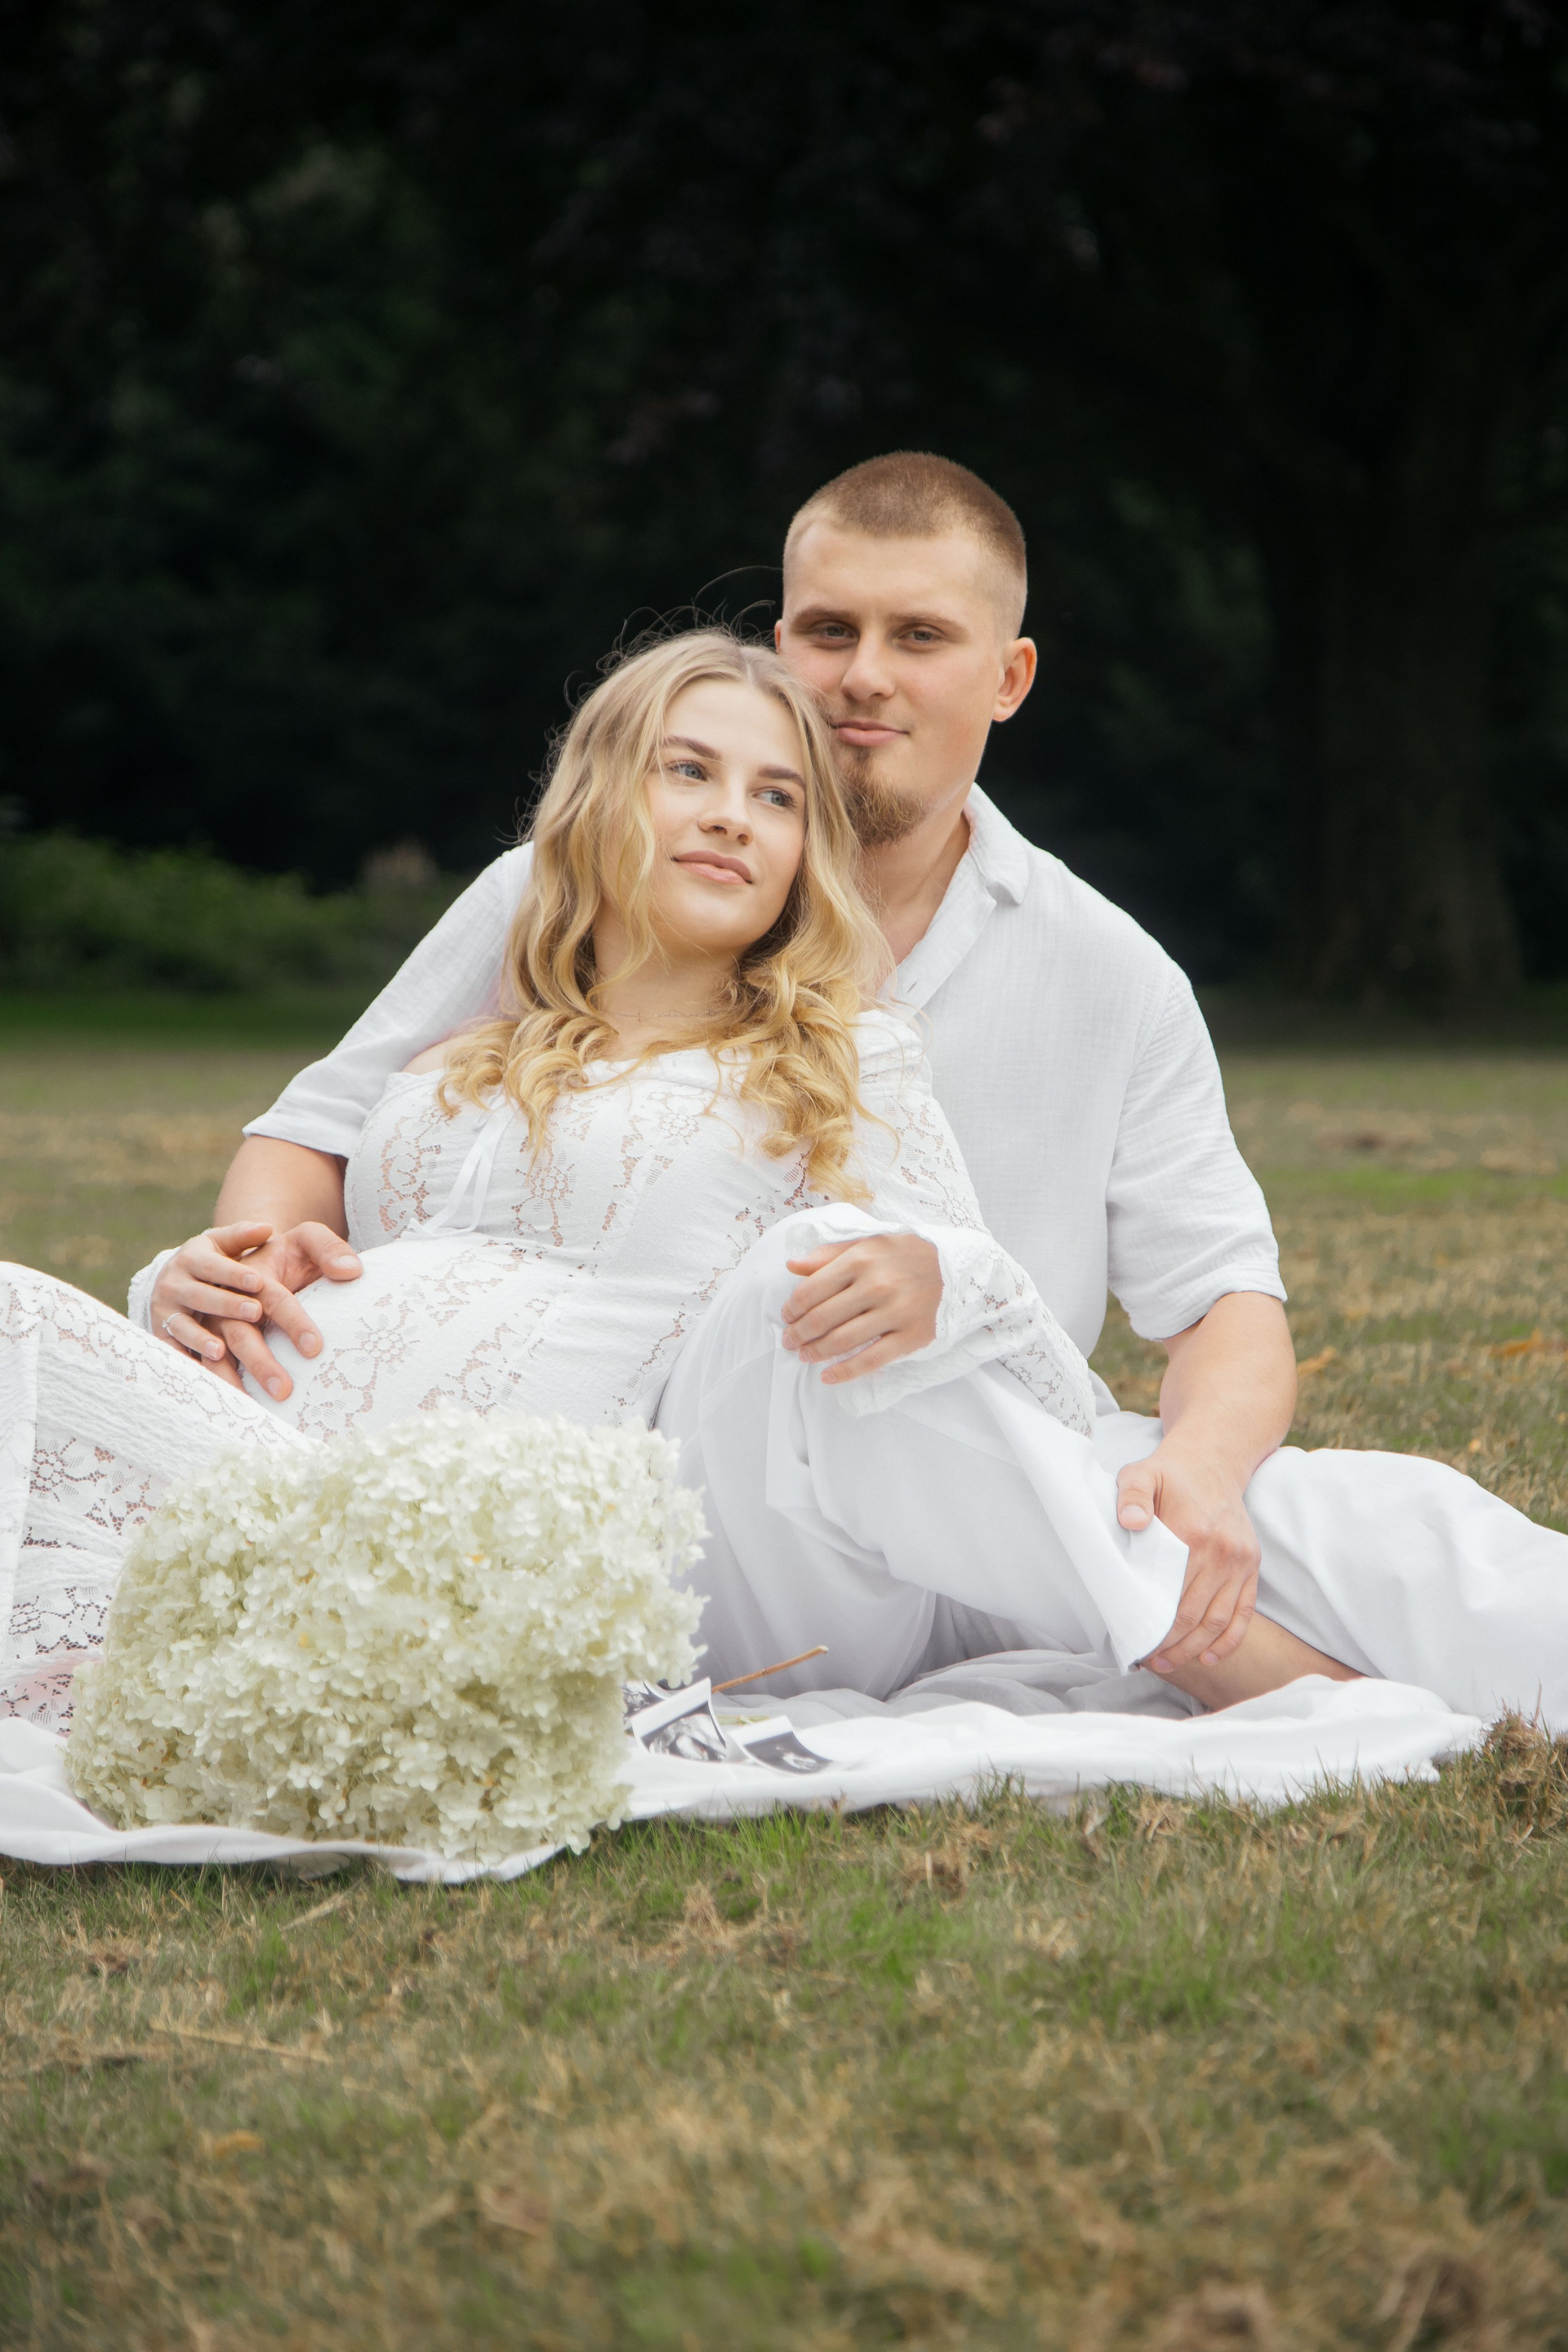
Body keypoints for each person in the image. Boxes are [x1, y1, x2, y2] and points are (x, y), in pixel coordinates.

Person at [139, 452, 1297, 1690]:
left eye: (918, 637)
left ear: (1008, 677)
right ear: (780, 643)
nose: (864, 675)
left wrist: (1204, 1469)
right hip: (559, 1462)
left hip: (892, 1499)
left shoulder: (1106, 973)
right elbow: (321, 1123)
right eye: (830, 631)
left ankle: (1252, 1659)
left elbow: (1222, 1296)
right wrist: (252, 1276)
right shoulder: (562, 890)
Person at [0, 630, 1100, 1729]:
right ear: (597, 801)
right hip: (261, 1468)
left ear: (805, 856)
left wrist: (948, 1281)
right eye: (689, 771)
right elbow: (318, 1190)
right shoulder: (476, 1046)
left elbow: (1004, 1350)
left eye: (777, 798)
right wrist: (188, 1281)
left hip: (506, 1546)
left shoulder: (838, 1065)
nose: (732, 815)